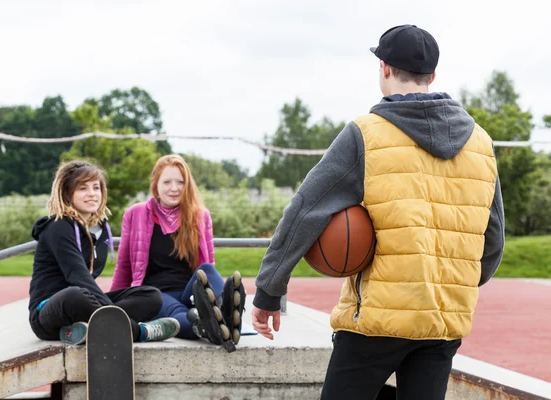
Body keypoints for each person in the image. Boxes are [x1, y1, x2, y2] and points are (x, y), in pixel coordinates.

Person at [251, 24, 505, 400]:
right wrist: (449, 286)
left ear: (384, 68)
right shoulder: (480, 143)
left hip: (375, 322)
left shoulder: (366, 134)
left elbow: (304, 210)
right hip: (442, 322)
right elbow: (493, 239)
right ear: (432, 75)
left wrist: (269, 291)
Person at [28, 160, 180, 345]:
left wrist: (105, 307)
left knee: (151, 296)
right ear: (68, 193)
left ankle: (80, 329)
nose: (92, 194)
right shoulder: (58, 227)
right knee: (76, 294)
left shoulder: (100, 231)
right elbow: (78, 276)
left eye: (96, 187)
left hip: (82, 304)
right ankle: (139, 331)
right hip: (48, 312)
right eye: (83, 188)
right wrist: (110, 310)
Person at [110, 154, 246, 350]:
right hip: (155, 294)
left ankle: (222, 310)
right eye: (167, 182)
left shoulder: (200, 216)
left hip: (191, 292)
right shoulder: (136, 214)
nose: (174, 188)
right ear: (155, 184)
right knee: (179, 314)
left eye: (180, 182)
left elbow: (208, 263)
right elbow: (123, 266)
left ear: (187, 185)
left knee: (207, 268)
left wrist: (208, 295)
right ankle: (212, 325)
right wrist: (111, 305)